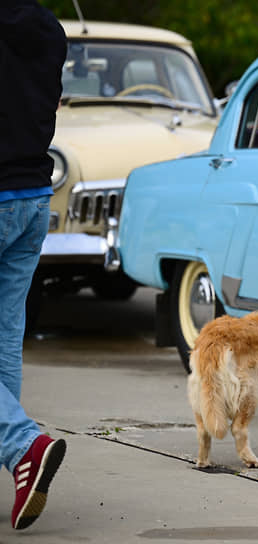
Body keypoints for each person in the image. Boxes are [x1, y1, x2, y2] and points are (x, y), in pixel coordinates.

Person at [0, 0, 68, 530]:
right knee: (4, 342)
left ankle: (23, 444)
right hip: (33, 198)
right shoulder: (48, 26)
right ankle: (21, 463)